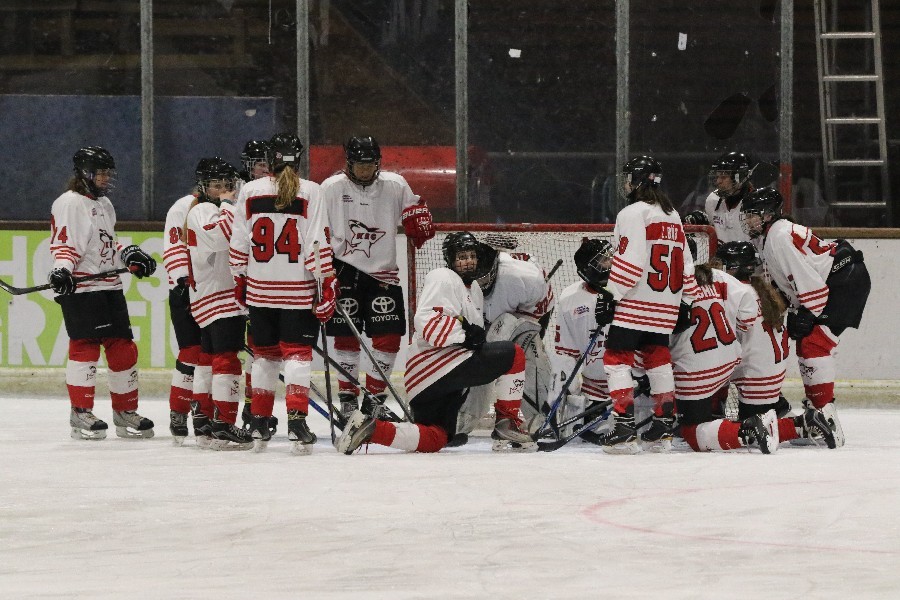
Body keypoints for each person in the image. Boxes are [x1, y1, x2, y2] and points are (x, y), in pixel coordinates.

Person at [336, 231, 534, 454]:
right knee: (513, 354)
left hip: (425, 381)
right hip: (436, 366)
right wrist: (466, 334)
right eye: (461, 257)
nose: (468, 261)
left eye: (471, 255)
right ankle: (507, 422)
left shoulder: (474, 290)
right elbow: (427, 323)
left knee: (435, 437)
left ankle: (369, 429)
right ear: (450, 260)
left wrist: (471, 335)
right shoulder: (443, 277)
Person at [741, 187, 871, 447]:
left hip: (844, 280)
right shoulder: (770, 235)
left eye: (753, 215)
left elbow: (813, 287)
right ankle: (818, 413)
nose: (748, 221)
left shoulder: (778, 236)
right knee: (808, 342)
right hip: (838, 279)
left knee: (813, 344)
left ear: (768, 215)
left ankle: (824, 417)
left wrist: (807, 313)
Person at [229, 133, 335, 454]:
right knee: (297, 355)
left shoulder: (249, 190)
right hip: (297, 290)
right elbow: (317, 242)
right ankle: (296, 421)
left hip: (260, 291)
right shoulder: (311, 191)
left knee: (264, 355)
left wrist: (241, 279)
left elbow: (239, 243)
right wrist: (326, 284)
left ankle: (259, 420)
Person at [320, 135, 435, 421]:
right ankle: (348, 399)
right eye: (360, 165)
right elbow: (317, 229)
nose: (365, 170)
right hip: (342, 269)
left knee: (389, 338)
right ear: (349, 163)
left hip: (383, 274)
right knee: (346, 337)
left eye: (370, 164)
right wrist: (321, 272)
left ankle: (374, 399)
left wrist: (418, 219)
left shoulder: (395, 184)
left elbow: (414, 210)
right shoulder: (331, 188)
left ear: (378, 163)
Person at [50, 146, 157, 441]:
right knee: (85, 347)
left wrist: (130, 253)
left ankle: (125, 412)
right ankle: (80, 412)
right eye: (101, 172)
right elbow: (64, 245)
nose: (106, 178)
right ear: (85, 173)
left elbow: (108, 245)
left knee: (123, 348)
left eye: (108, 172)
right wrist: (62, 270)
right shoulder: (69, 203)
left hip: (109, 285)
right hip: (83, 286)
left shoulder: (105, 204)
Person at [599, 155, 700, 454]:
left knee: (616, 359)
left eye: (629, 177)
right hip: (666, 302)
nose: (625, 183)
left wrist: (611, 293)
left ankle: (624, 426)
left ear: (639, 181)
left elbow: (630, 261)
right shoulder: (672, 214)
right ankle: (662, 425)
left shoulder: (632, 213)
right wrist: (687, 300)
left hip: (635, 301)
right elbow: (686, 260)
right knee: (657, 356)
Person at [716, 241, 836, 448]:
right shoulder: (762, 290)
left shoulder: (735, 294)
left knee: (749, 432)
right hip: (769, 376)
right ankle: (780, 409)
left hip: (755, 378)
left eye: (721, 264)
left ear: (732, 268)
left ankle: (805, 424)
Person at [669, 259, 781, 453]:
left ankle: (750, 427)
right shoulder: (718, 277)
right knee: (702, 421)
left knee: (691, 433)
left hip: (696, 368)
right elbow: (747, 301)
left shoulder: (666, 283)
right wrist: (737, 328)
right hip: (729, 360)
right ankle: (800, 425)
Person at [453, 233, 555, 441]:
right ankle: (462, 416)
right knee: (467, 355)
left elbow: (542, 309)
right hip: (478, 326)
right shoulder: (452, 281)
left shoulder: (524, 278)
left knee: (529, 347)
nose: (480, 284)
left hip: (515, 318)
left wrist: (517, 338)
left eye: (484, 278)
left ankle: (535, 418)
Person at [184, 157, 252, 450]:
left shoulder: (210, 209)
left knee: (209, 358)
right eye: (216, 185)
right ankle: (223, 423)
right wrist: (228, 204)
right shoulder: (202, 210)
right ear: (204, 186)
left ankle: (203, 422)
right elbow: (221, 237)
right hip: (218, 294)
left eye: (227, 185)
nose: (223, 190)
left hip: (211, 293)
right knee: (225, 358)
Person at [548, 238, 615, 434]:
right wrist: (558, 397)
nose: (611, 263)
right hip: (595, 391)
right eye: (603, 260)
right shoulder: (570, 299)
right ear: (588, 268)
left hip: (632, 386)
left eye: (611, 257)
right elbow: (566, 356)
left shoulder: (628, 289)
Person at [162, 165, 205, 445]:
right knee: (192, 352)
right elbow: (174, 248)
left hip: (216, 292)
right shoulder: (183, 207)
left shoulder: (226, 208)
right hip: (187, 290)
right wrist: (183, 282)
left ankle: (204, 412)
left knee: (215, 356)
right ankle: (178, 411)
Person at [235, 138, 270, 429]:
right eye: (260, 164)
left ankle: (251, 406)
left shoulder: (273, 189)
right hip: (238, 284)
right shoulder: (237, 191)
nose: (266, 169)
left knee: (258, 351)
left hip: (259, 284)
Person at [691, 151, 757, 244]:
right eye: (717, 177)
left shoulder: (757, 205)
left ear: (740, 177)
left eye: (723, 177)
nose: (718, 181)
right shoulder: (712, 200)